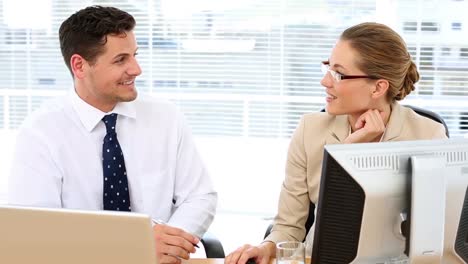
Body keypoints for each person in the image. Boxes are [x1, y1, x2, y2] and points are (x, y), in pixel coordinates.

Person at [8, 5, 217, 264]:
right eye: (121, 60)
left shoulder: (166, 117)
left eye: (134, 55)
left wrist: (171, 244)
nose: (136, 69)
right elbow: (34, 230)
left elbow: (199, 196)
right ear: (80, 66)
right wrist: (133, 247)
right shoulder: (40, 133)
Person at [224, 22, 448, 264]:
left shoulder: (428, 136)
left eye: (338, 73)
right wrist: (267, 248)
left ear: (378, 87)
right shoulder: (310, 130)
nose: (325, 81)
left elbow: (437, 233)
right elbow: (288, 227)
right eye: (327, 68)